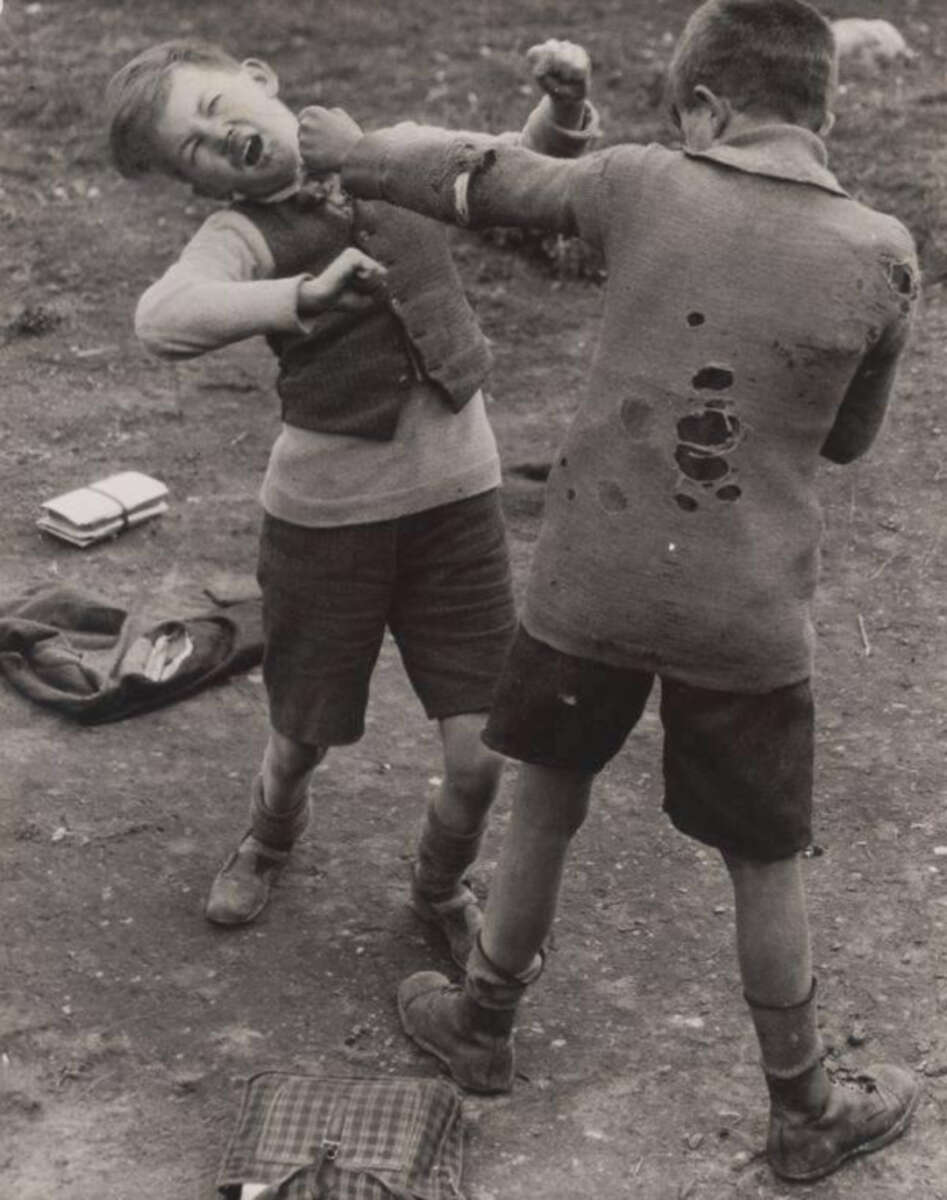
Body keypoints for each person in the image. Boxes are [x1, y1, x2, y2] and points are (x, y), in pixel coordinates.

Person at [297, 0, 922, 1183]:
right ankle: (798, 1111)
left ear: (703, 105)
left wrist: (352, 149)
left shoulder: (641, 183)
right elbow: (843, 442)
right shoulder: (883, 253)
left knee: (545, 800)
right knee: (761, 859)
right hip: (743, 615)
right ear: (821, 113)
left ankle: (483, 1026)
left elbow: (485, 177)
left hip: (589, 583)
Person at [105, 38, 599, 964]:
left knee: (481, 754)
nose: (219, 141)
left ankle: (438, 885)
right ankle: (271, 833)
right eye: (194, 152)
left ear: (258, 78)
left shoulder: (389, 158)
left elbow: (508, 171)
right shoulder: (240, 236)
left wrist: (563, 110)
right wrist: (298, 291)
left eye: (216, 110)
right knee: (301, 732)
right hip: (325, 525)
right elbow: (159, 319)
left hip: (458, 508)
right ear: (199, 187)